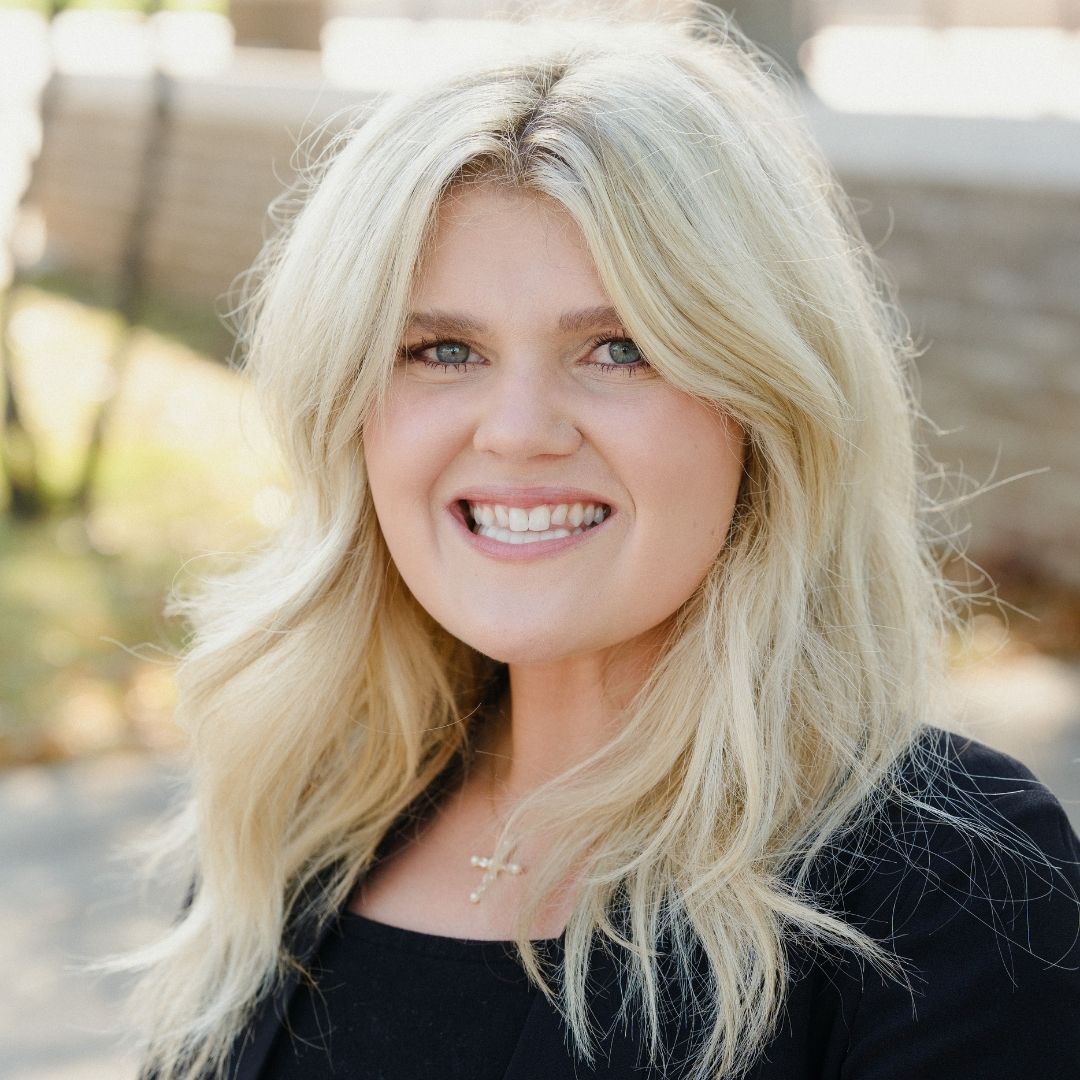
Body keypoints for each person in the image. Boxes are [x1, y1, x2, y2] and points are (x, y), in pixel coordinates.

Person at [126, 11, 1080, 1080]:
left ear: (767, 407)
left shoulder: (950, 888)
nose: (520, 430)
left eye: (619, 349)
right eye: (443, 350)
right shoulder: (294, 829)